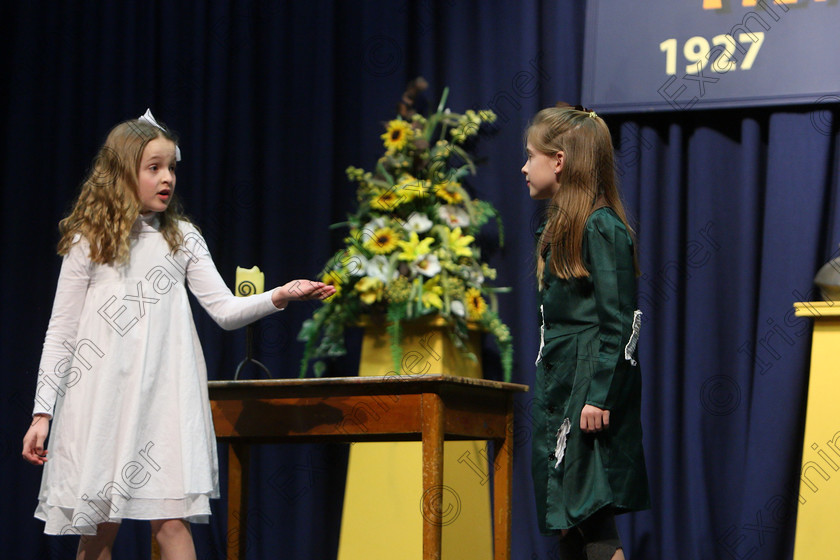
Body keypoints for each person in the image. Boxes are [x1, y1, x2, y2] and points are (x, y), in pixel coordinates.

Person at [21, 110, 334, 559]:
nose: (167, 178)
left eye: (171, 167)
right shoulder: (89, 241)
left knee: (171, 523)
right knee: (99, 526)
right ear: (122, 173)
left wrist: (280, 295)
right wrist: (42, 413)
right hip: (101, 400)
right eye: (154, 168)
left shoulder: (182, 238)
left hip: (163, 400)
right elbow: (62, 332)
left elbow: (225, 310)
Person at [521, 105, 650, 560]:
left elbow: (621, 320)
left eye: (530, 155)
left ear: (558, 160)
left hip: (587, 381)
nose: (524, 167)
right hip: (561, 379)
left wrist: (599, 394)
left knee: (589, 510)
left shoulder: (601, 226)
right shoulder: (561, 226)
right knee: (567, 513)